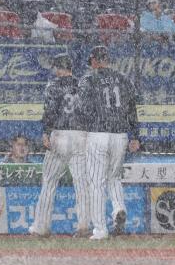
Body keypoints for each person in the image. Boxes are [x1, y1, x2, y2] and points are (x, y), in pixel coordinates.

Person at [78, 46, 139, 240]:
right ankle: (119, 208)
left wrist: (86, 128)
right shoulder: (123, 78)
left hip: (98, 133)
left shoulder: (89, 79)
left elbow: (84, 108)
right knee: (114, 177)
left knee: (96, 182)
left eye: (92, 62)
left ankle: (100, 229)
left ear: (95, 60)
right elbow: (132, 108)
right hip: (120, 135)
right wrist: (135, 135)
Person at [30, 54, 90, 238]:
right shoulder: (83, 85)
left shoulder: (53, 85)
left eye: (56, 67)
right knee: (82, 184)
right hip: (80, 135)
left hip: (59, 134)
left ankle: (41, 227)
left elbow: (50, 110)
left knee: (49, 182)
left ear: (58, 68)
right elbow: (89, 112)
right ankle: (83, 226)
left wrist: (46, 132)